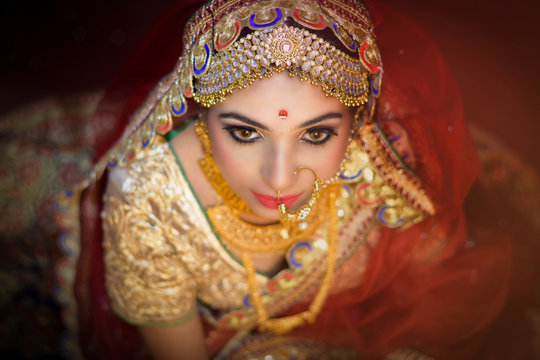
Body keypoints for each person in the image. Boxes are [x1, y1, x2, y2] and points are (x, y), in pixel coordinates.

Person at [54, 0, 539, 359]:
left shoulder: (383, 165)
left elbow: (429, 287)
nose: (280, 176)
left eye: (317, 134)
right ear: (200, 114)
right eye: (245, 132)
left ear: (357, 123)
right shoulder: (147, 203)